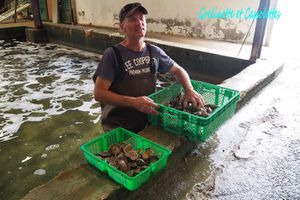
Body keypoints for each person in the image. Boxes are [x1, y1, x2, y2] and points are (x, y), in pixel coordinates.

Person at [94, 2, 204, 133]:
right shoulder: (113, 55)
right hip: (118, 127)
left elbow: (178, 70)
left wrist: (189, 90)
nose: (139, 22)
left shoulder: (154, 52)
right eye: (132, 19)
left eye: (142, 18)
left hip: (149, 121)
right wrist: (134, 102)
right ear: (122, 27)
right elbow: (99, 93)